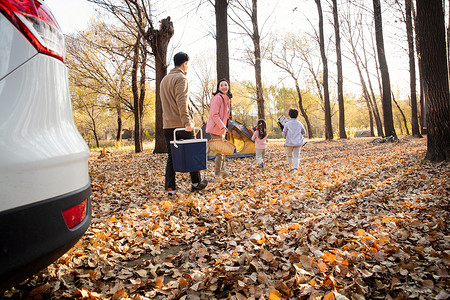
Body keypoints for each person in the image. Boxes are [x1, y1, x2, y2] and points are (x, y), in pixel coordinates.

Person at [160, 52, 207, 195]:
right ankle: (196, 183)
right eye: (188, 64)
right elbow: (182, 102)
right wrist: (187, 122)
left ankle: (171, 189)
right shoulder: (181, 78)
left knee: (171, 157)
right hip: (181, 124)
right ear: (184, 63)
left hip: (168, 125)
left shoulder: (164, 80)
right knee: (192, 153)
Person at [206, 79, 232, 179]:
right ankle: (217, 175)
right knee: (220, 152)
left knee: (222, 151)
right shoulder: (217, 98)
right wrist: (222, 126)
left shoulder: (227, 99)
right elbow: (214, 115)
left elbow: (226, 115)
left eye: (226, 85)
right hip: (215, 128)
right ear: (218, 88)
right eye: (221, 85)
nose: (224, 87)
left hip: (221, 129)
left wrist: (224, 128)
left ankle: (222, 171)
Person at [282, 109, 306, 173]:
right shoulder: (299, 123)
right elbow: (304, 132)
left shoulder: (287, 124)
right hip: (298, 142)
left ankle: (291, 168)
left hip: (289, 143)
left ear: (289, 115)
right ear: (297, 115)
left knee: (289, 155)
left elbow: (283, 134)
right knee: (296, 156)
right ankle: (296, 168)